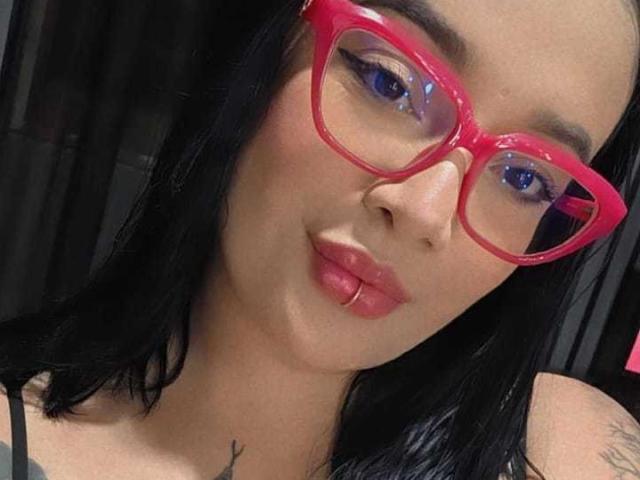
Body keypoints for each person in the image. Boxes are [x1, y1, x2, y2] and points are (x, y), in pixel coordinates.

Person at [0, 0, 639, 478]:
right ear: (269, 41)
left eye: (526, 177)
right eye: (390, 82)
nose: (425, 212)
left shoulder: (570, 449)